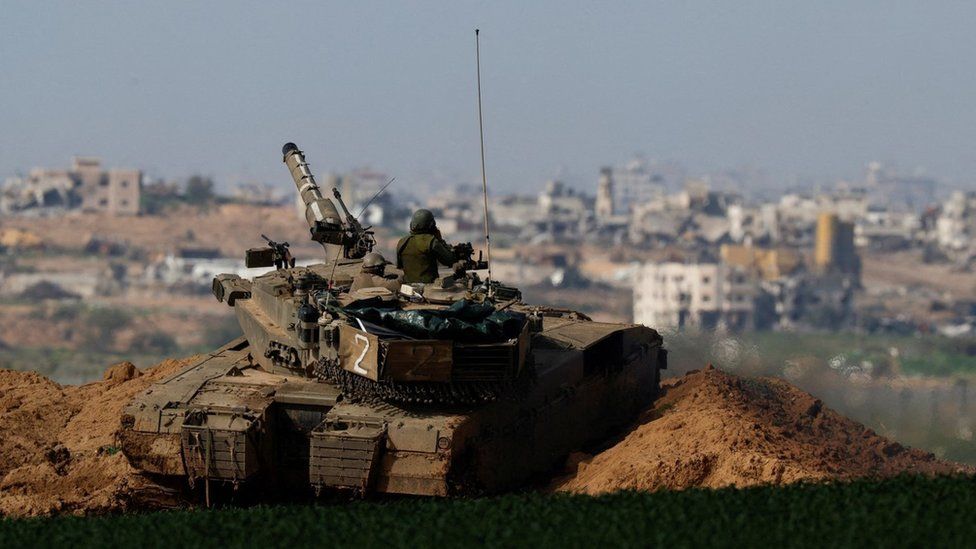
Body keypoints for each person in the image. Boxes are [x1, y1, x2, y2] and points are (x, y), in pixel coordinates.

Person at [396, 209, 456, 283]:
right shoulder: (431, 241)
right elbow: (449, 260)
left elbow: (400, 266)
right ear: (431, 225)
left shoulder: (402, 242)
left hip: (408, 288)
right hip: (429, 288)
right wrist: (440, 240)